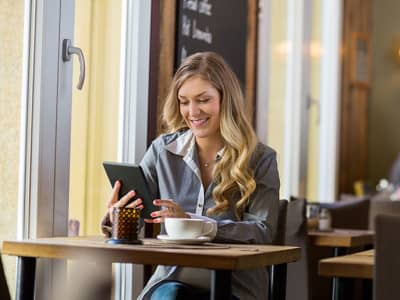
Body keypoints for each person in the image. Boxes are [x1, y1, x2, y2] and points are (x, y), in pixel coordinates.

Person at [101, 52, 280, 300]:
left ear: (225, 100)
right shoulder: (162, 151)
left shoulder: (261, 159)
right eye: (184, 101)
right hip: (173, 279)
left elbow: (263, 231)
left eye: (203, 100)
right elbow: (140, 223)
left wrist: (196, 225)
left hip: (235, 285)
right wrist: (118, 218)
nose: (193, 111)